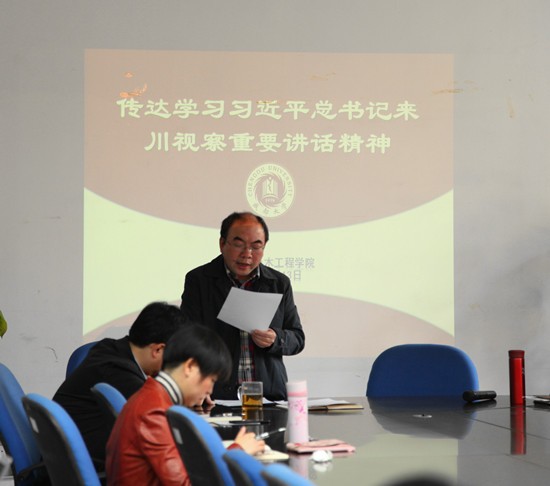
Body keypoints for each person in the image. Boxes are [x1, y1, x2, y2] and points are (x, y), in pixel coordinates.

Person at [105, 324, 265, 486]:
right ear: (190, 367)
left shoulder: (153, 397)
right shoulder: (153, 411)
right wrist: (237, 453)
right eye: (211, 380)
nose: (210, 390)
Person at [180, 211, 305, 401]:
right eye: (239, 244)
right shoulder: (199, 280)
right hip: (216, 396)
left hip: (269, 395)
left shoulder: (278, 283)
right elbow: (187, 338)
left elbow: (297, 338)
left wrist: (275, 338)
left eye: (256, 246)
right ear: (222, 244)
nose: (247, 254)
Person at [53, 301, 184, 465]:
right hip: (82, 464)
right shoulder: (120, 374)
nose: (171, 368)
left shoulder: (110, 350)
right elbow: (163, 421)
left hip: (66, 458)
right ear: (158, 350)